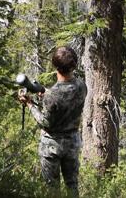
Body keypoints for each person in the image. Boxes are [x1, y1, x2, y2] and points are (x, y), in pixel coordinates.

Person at [18, 46, 87, 194]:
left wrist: (30, 104)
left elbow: (45, 122)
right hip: (72, 143)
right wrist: (47, 94)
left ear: (56, 67)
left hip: (52, 146)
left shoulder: (52, 95)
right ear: (74, 65)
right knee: (72, 186)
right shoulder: (82, 86)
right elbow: (67, 97)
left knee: (52, 189)